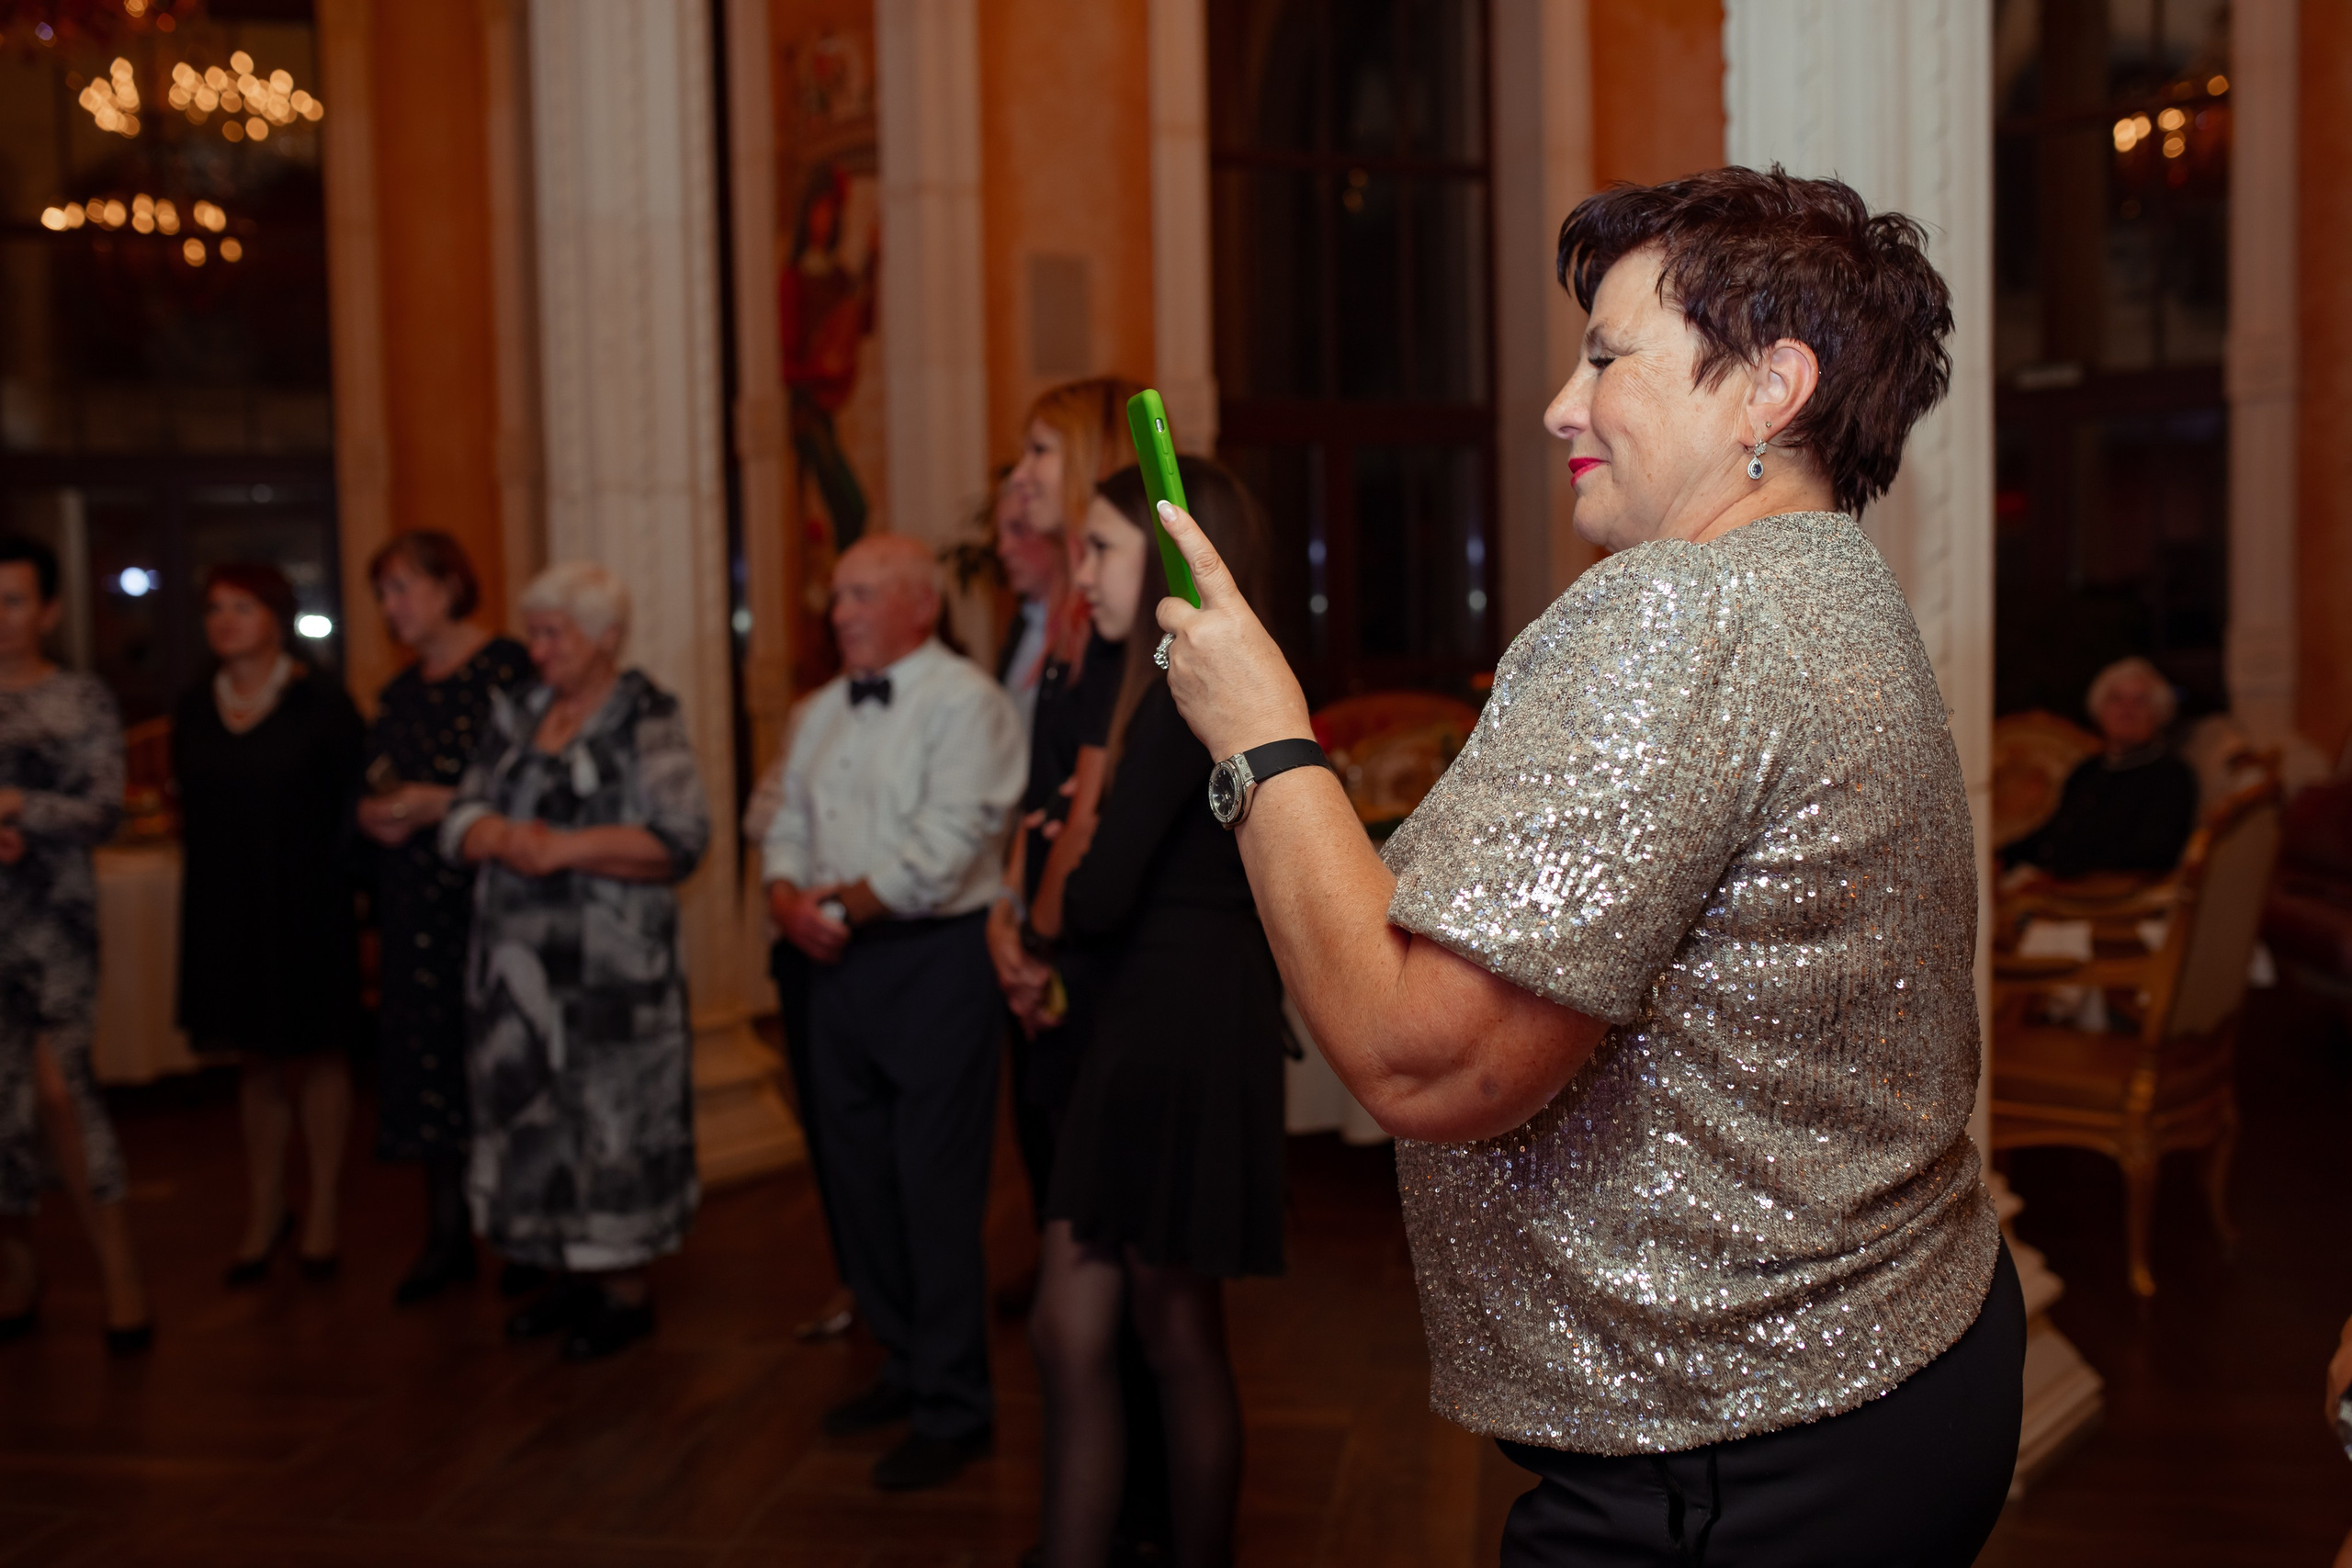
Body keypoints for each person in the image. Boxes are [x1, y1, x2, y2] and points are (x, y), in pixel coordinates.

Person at [1148, 166, 2023, 1564]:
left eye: (1608, 354)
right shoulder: (1838, 589)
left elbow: (1422, 1056)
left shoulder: (1681, 611)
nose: (1563, 401)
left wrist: (1262, 735)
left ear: (1770, 387)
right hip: (1905, 1364)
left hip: (1733, 1449)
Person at [1025, 460, 1287, 1568]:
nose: (1079, 573)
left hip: (1172, 1026)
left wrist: (1058, 860)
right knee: (1099, 1323)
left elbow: (1096, 893)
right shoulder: (1162, 683)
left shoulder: (1187, 688)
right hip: (1160, 1017)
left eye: (1100, 549)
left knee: (1168, 1332)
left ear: (1171, 556)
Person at [763, 534, 1024, 1492]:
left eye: (862, 595)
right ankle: (903, 1366)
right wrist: (787, 894)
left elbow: (950, 843)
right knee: (855, 1179)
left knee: (933, 1188)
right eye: (837, 597)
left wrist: (834, 907)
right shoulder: (819, 709)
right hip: (831, 965)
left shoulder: (967, 702)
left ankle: (957, 1405)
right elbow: (783, 818)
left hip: (931, 964)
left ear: (920, 606)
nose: (840, 613)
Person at [441, 560, 708, 1361]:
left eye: (554, 632)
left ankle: (622, 1291)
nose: (539, 648)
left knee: (610, 1126)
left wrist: (560, 849)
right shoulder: (518, 711)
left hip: (612, 983)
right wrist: (500, 836)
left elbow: (679, 838)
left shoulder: (645, 715)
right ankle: (562, 1272)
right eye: (534, 631)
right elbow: (461, 815)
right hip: (517, 979)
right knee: (535, 1121)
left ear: (606, 639)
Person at [174, 562, 365, 1285]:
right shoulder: (195, 706)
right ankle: (264, 1209)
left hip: (308, 903)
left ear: (276, 616)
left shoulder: (321, 702)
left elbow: (355, 807)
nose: (225, 619)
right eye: (215, 607)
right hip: (228, 906)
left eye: (242, 606)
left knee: (318, 1052)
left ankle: (322, 1208)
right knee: (254, 1059)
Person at [356, 531, 530, 1305]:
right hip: (412, 900)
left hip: (491, 898)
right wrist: (373, 811)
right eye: (384, 594)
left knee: (503, 1062)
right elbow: (371, 779)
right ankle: (448, 1233)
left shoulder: (508, 672)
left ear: (450, 584)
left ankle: (525, 1235)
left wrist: (443, 804)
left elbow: (533, 786)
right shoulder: (400, 693)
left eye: (402, 588)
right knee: (431, 1063)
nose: (392, 608)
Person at [0, 534, 150, 1351]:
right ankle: (16, 1271)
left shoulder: (82, 698)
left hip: (54, 925)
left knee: (63, 1092)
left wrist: (18, 807)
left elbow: (102, 812)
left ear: (49, 610)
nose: (1, 619)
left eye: (16, 601)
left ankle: (123, 1277)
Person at [2003, 655, 2199, 882]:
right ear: (2099, 711)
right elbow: (2053, 833)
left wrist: (2059, 875)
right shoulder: (2089, 770)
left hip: (2103, 899)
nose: (2127, 711)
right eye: (2116, 700)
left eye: (2140, 701)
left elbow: (2154, 853)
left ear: (2157, 713)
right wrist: (2001, 857)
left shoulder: (2170, 775)